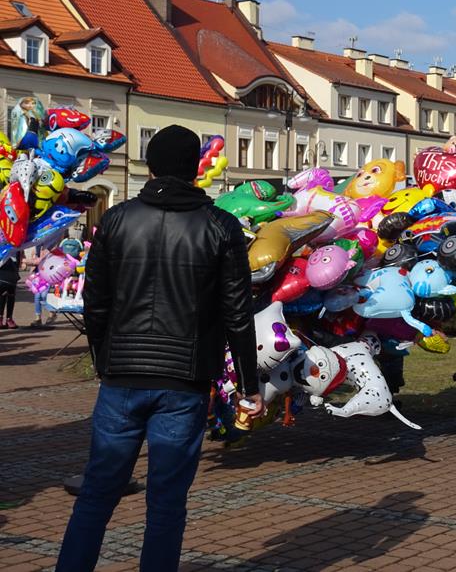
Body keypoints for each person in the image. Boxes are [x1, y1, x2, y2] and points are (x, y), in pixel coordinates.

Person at [56, 125, 263, 572]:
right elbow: (237, 313)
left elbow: (96, 303)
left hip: (122, 375)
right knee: (166, 505)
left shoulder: (117, 219)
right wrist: (250, 384)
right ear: (196, 167)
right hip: (184, 379)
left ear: (150, 165)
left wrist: (102, 357)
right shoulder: (221, 226)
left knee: (96, 494)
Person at [0, 252, 19, 328]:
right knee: (2, 294)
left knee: (11, 295)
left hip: (13, 269)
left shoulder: (17, 248)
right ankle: (0, 318)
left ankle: (9, 318)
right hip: (2, 268)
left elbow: (20, 257)